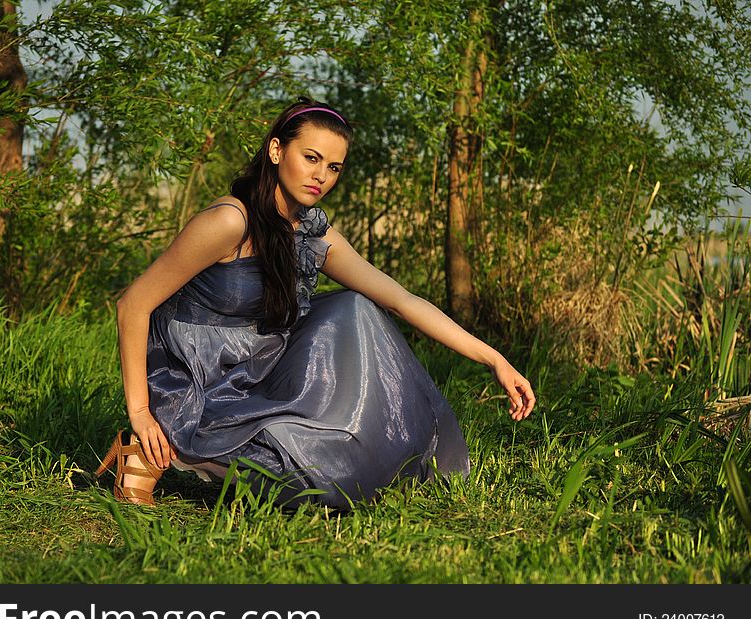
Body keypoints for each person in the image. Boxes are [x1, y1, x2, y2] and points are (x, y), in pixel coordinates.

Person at [96, 96, 535, 510]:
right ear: (275, 151)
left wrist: (493, 358)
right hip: (193, 376)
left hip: (258, 370)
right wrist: (140, 412)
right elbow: (133, 304)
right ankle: (153, 447)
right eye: (311, 158)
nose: (321, 175)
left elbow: (401, 300)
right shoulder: (229, 222)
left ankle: (191, 456)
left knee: (356, 311)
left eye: (334, 167)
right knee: (297, 463)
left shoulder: (311, 234)